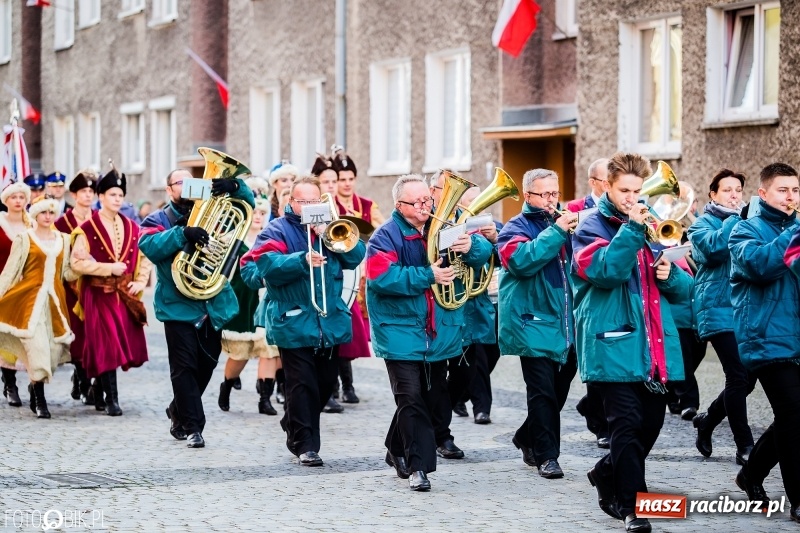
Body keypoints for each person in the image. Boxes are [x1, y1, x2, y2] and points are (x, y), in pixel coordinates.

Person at [572, 152, 691, 532]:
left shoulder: (652, 225)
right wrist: (632, 231)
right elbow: (604, 272)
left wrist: (670, 273)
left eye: (638, 190)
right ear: (606, 187)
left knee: (650, 426)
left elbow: (687, 290)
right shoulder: (589, 227)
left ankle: (607, 474)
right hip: (612, 344)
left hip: (653, 347)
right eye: (625, 190)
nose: (633, 197)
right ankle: (631, 508)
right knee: (626, 425)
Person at [367, 174, 491, 491]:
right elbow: (382, 278)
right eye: (418, 202)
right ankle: (418, 468)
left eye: (428, 200)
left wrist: (472, 244)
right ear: (399, 205)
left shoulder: (446, 228)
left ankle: (396, 449)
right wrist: (428, 275)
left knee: (431, 400)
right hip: (398, 331)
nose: (426, 206)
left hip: (438, 332)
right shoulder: (385, 236)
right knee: (410, 397)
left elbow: (483, 256)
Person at [240, 176, 366, 467]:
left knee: (323, 385)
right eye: (303, 202)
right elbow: (262, 266)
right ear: (291, 203)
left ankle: (293, 421)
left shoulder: (330, 226)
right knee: (301, 384)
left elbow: (356, 256)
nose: (309, 206)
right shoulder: (277, 229)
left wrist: (327, 234)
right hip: (293, 319)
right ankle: (305, 445)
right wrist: (300, 260)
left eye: (315, 201)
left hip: (329, 320)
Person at [140, 168, 254, 448]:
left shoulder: (215, 210)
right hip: (177, 305)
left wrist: (235, 185)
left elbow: (248, 206)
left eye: (192, 181)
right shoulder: (159, 219)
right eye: (180, 182)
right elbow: (148, 244)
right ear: (169, 190)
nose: (187, 186)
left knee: (207, 364)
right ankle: (193, 427)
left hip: (212, 302)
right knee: (184, 367)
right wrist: (182, 234)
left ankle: (178, 409)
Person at [497, 168, 578, 478]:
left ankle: (526, 436)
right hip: (532, 321)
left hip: (565, 322)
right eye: (543, 194)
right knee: (542, 392)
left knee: (559, 390)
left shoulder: (565, 224)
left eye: (554, 193)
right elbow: (521, 261)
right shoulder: (514, 227)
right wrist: (557, 231)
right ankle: (547, 456)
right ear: (527, 196)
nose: (550, 199)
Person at [733, 162, 800, 523]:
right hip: (766, 338)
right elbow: (760, 265)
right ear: (763, 194)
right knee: (793, 412)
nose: (790, 197)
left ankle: (751, 474)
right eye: (782, 190)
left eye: (795, 190)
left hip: (796, 337)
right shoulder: (743, 230)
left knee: (793, 416)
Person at [686, 169, 757, 465]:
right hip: (716, 310)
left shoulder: (749, 222)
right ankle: (745, 445)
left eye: (738, 190)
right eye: (727, 190)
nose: (734, 195)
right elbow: (713, 249)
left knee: (748, 378)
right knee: (738, 375)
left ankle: (708, 420)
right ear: (713, 194)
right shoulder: (701, 225)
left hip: (746, 310)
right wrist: (737, 219)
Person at [70, 167, 150, 417]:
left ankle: (96, 388)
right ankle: (112, 400)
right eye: (112, 194)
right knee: (108, 344)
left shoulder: (132, 226)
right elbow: (77, 263)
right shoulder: (87, 227)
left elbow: (144, 256)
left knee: (118, 344)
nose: (117, 199)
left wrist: (140, 280)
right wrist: (108, 268)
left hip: (122, 295)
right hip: (98, 294)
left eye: (120, 195)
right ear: (100, 197)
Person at [0, 196, 74, 418]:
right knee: (37, 349)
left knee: (53, 351)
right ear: (35, 214)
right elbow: (11, 271)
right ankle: (40, 400)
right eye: (43, 212)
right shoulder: (25, 239)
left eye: (52, 213)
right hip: (29, 301)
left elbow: (68, 272)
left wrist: (84, 265)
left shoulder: (65, 239)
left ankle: (34, 385)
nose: (48, 216)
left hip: (54, 303)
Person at [217, 199, 281, 415]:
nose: (258, 216)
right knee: (240, 353)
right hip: (243, 301)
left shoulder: (271, 239)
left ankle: (265, 399)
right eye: (254, 212)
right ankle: (226, 385)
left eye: (262, 212)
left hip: (266, 299)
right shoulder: (233, 240)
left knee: (269, 350)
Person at [328, 150, 379, 411]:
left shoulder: (368, 205)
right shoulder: (328, 205)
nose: (346, 183)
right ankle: (338, 387)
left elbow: (381, 236)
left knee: (352, 334)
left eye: (350, 178)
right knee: (339, 329)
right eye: (342, 179)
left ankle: (347, 384)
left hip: (362, 268)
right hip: (340, 271)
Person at [447, 186, 501, 425]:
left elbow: (505, 258)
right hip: (464, 300)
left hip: (491, 297)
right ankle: (482, 407)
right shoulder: (451, 229)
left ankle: (461, 394)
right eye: (472, 201)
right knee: (475, 356)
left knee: (493, 352)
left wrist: (494, 240)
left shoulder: (494, 226)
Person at [54, 170, 97, 405]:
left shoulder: (100, 218)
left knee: (95, 334)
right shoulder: (63, 222)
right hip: (70, 286)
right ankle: (81, 379)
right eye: (84, 191)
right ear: (74, 194)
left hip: (95, 284)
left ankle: (89, 380)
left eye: (91, 191)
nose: (88, 195)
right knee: (78, 335)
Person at [0, 181, 33, 407]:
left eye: (22, 197)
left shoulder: (32, 225)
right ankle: (10, 383)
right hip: (3, 286)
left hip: (28, 287)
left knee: (30, 337)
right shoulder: (0, 224)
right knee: (7, 336)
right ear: (7, 200)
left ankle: (35, 381)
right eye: (14, 197)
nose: (18, 201)